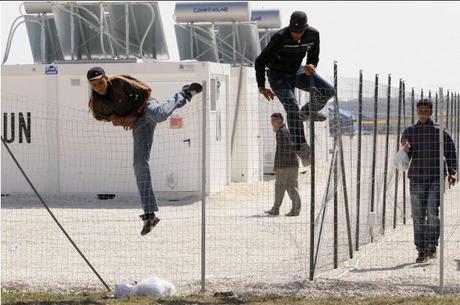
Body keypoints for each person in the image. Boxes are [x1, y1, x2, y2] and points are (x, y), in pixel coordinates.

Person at [86, 67, 203, 236]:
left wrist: (132, 114)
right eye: (94, 84)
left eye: (100, 82)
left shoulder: (119, 81)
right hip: (138, 124)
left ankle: (185, 93)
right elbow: (98, 116)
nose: (98, 86)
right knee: (139, 164)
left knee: (160, 114)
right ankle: (149, 214)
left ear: (106, 77)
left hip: (147, 108)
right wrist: (116, 119)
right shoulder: (95, 102)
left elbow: (145, 91)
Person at [255, 11, 336, 166]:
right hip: (278, 76)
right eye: (293, 32)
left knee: (328, 91)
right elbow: (260, 61)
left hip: (297, 71)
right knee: (291, 106)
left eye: (299, 33)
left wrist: (311, 65)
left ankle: (306, 112)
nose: (296, 36)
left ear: (306, 27)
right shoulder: (280, 37)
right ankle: (302, 149)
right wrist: (261, 86)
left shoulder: (313, 35)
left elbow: (313, 57)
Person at [401, 99, 457, 263]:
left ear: (431, 112)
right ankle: (421, 249)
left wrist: (452, 172)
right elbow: (405, 155)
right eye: (420, 111)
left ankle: (431, 245)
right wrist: (405, 148)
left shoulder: (441, 131)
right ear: (417, 112)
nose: (423, 114)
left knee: (432, 212)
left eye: (426, 111)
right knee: (418, 215)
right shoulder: (410, 131)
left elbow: (451, 153)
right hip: (417, 178)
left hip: (436, 178)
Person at [265, 113, 301, 217]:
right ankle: (294, 210)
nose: (272, 123)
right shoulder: (285, 131)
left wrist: (280, 166)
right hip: (292, 163)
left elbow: (283, 150)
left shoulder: (282, 132)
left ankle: (276, 210)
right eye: (271, 121)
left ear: (280, 120)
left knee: (280, 187)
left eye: (274, 121)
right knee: (292, 187)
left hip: (286, 165)